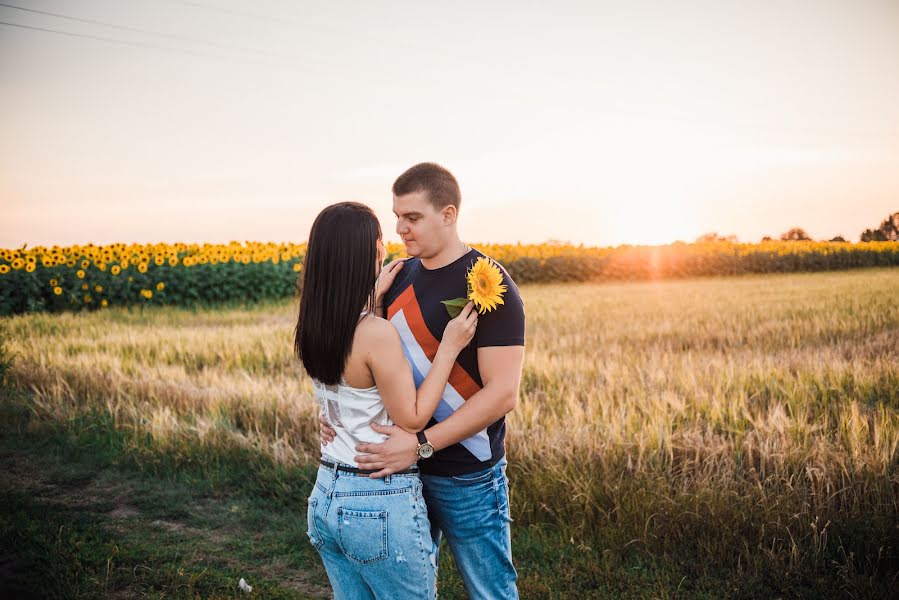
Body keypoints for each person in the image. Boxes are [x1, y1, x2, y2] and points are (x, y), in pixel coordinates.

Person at [320, 163, 527, 599]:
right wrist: (331, 416)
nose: (400, 228)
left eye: (412, 217)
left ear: (448, 215)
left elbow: (503, 393)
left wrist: (421, 443)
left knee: (490, 591)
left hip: (466, 476)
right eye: (396, 217)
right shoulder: (397, 278)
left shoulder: (488, 284)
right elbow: (362, 362)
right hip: (399, 476)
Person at [295, 201, 479, 600]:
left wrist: (374, 305)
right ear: (367, 253)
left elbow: (349, 389)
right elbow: (411, 419)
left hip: (326, 490)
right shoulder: (375, 333)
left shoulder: (313, 324)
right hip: (376, 496)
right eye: (380, 239)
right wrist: (449, 347)